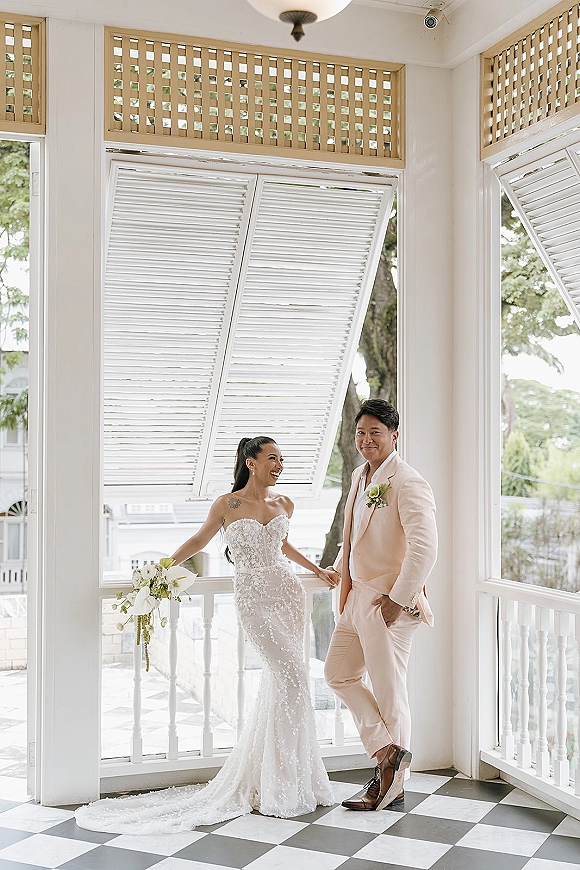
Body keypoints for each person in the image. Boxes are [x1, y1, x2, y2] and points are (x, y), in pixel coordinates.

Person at [75, 436, 339, 834]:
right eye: (272, 458)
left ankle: (288, 780)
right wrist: (160, 569)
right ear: (250, 463)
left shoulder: (285, 504)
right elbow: (199, 540)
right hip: (254, 599)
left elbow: (282, 545)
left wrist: (318, 570)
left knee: (287, 684)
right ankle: (279, 780)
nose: (279, 465)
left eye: (281, 459)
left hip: (287, 595)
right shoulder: (228, 505)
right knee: (293, 679)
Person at [324, 399, 437, 812]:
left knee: (391, 695)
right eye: (360, 432)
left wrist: (398, 600)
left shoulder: (408, 481)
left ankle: (392, 784)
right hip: (355, 597)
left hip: (387, 605)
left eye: (375, 432)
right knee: (337, 675)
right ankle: (387, 752)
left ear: (394, 435)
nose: (366, 439)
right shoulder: (360, 474)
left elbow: (425, 549)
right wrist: (337, 568)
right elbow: (354, 533)